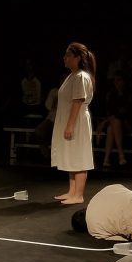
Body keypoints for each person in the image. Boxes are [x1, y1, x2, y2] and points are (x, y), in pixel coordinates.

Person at [51, 42, 97, 205]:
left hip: (77, 122)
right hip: (71, 119)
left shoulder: (81, 77)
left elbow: (78, 101)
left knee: (78, 155)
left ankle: (78, 195)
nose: (64, 58)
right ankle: (72, 191)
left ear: (77, 58)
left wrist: (70, 125)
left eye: (68, 55)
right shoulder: (73, 75)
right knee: (71, 154)